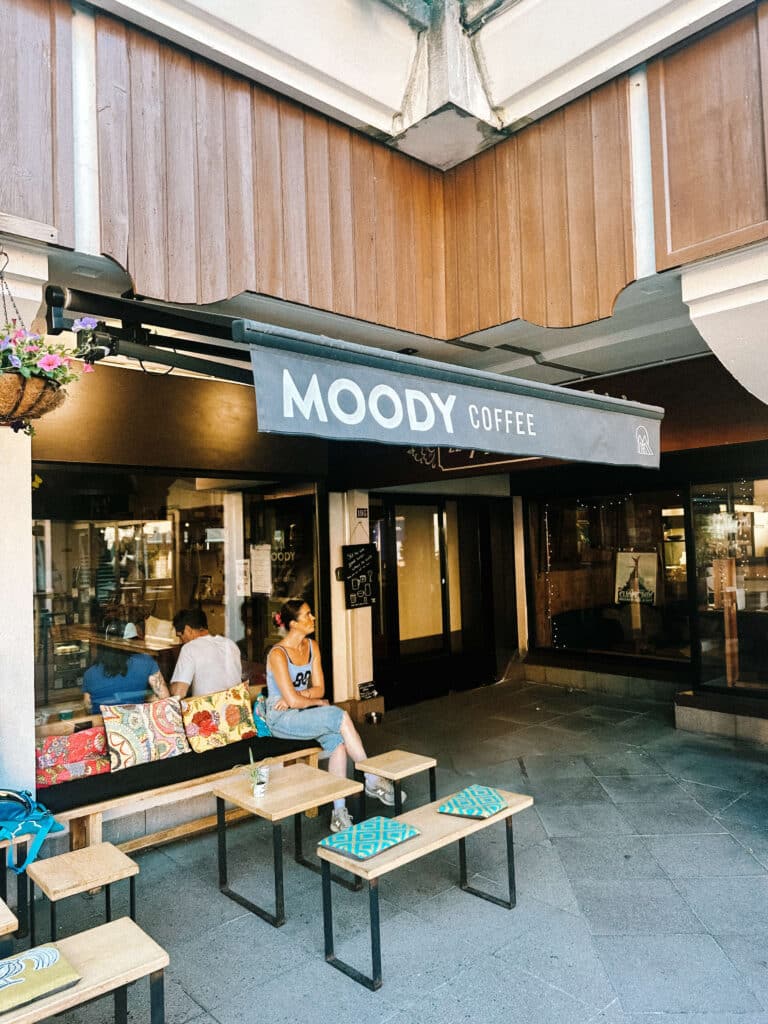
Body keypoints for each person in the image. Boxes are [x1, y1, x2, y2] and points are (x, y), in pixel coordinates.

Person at [266, 598, 404, 833]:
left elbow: (319, 689)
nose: (313, 618)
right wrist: (311, 700)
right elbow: (298, 701)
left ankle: (338, 813)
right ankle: (371, 777)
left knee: (338, 744)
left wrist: (300, 696)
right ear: (293, 624)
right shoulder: (278, 654)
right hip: (281, 719)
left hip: (304, 713)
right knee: (338, 716)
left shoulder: (312, 646)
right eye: (307, 615)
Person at [168, 607, 245, 698]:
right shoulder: (230, 644)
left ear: (188, 629)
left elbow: (179, 692)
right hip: (236, 704)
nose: (181, 641)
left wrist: (168, 688)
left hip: (209, 706)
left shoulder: (189, 648)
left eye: (180, 636)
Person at [83, 647, 166, 709]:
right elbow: (164, 700)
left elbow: (88, 706)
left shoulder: (89, 674)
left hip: (101, 724)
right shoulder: (146, 661)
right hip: (134, 721)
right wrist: (148, 696)